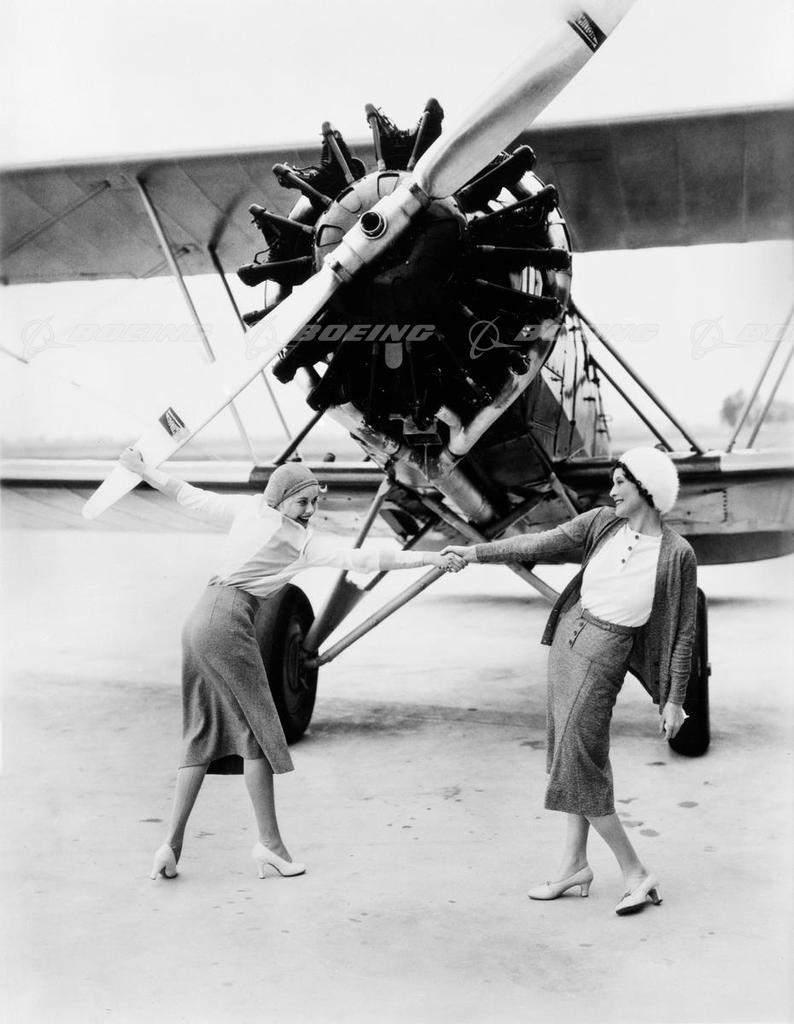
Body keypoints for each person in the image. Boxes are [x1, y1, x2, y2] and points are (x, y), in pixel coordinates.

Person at [118, 449, 465, 882]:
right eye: (302, 502)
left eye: (315, 502)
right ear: (279, 499)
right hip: (228, 624)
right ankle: (270, 845)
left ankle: (170, 847)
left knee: (202, 731)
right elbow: (364, 559)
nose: (310, 511)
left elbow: (191, 496)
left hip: (199, 620)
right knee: (259, 734)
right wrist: (430, 558)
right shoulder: (299, 543)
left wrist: (144, 470)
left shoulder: (250, 510)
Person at [441, 447, 697, 915]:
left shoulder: (677, 553)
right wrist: (474, 552)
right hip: (568, 641)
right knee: (572, 754)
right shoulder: (601, 522)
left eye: (620, 482)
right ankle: (573, 865)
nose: (611, 491)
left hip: (606, 654)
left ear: (646, 488)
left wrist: (674, 698)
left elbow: (683, 632)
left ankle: (636, 872)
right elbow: (539, 543)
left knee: (579, 758)